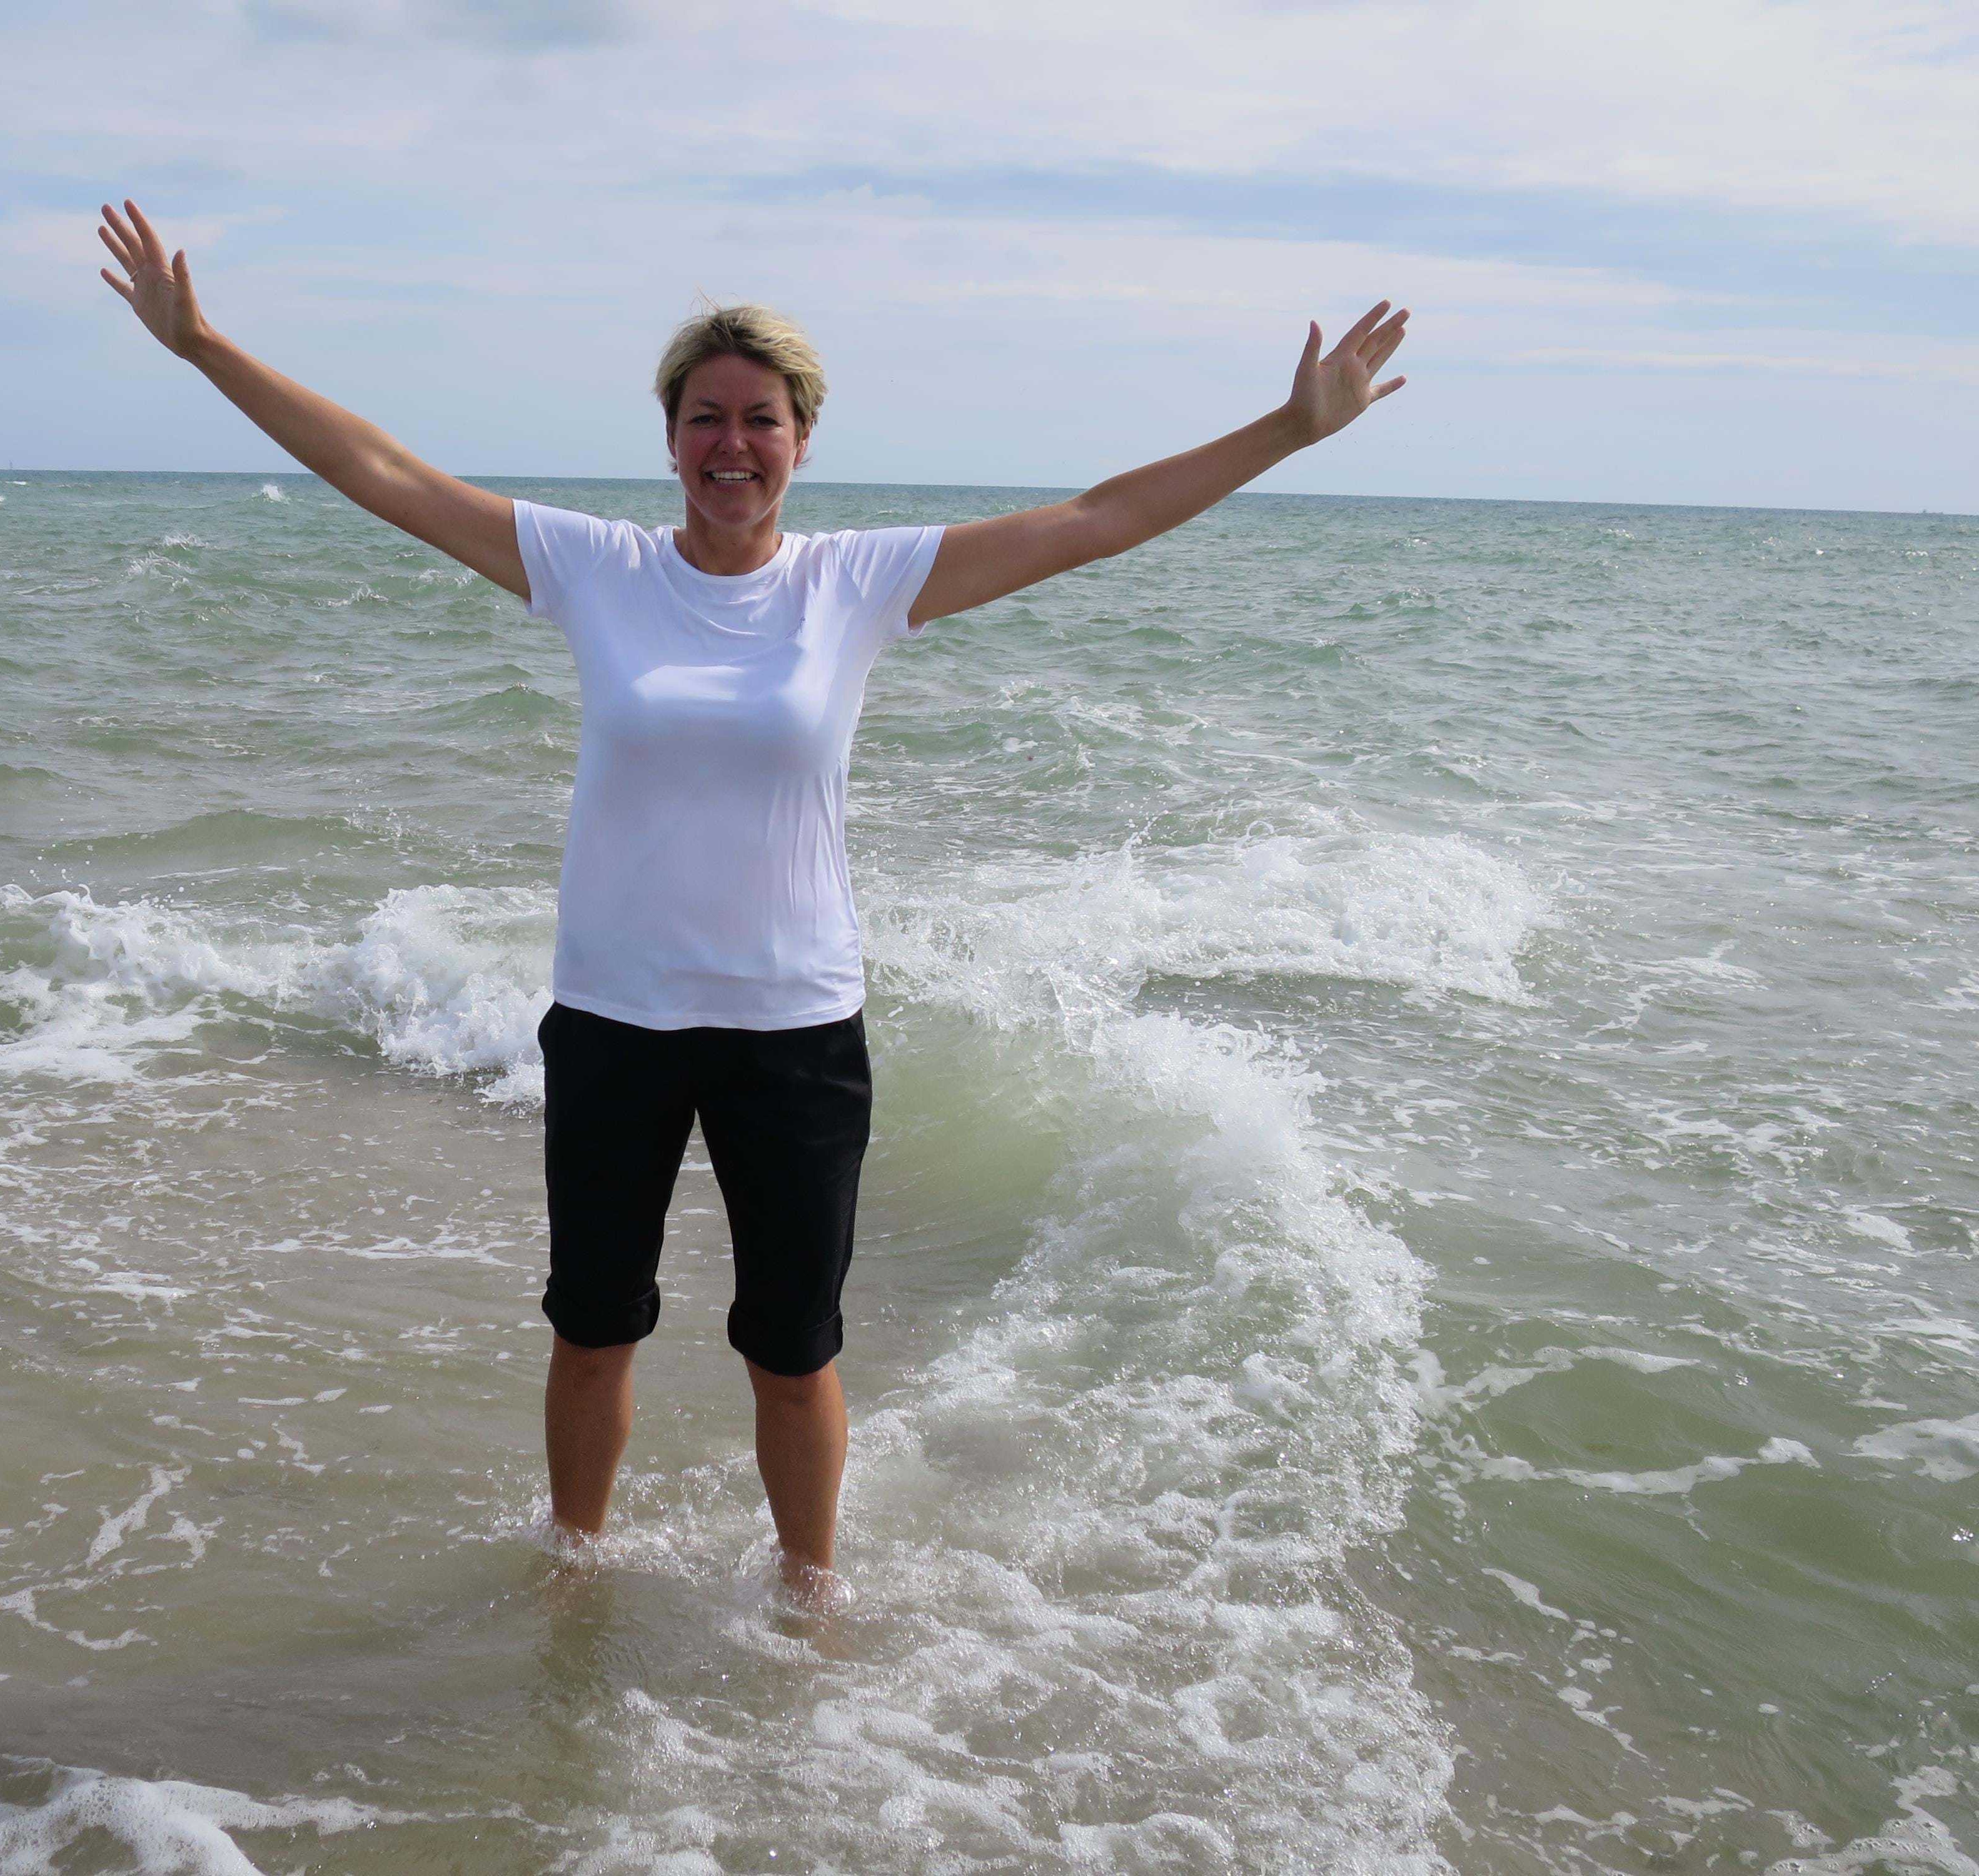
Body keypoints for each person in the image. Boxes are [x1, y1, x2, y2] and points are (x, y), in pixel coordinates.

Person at [96, 199, 1408, 1595]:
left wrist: (1287, 431)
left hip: (794, 1030)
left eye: (760, 421)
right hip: (615, 1019)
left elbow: (1094, 521)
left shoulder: (858, 583)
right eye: (706, 418)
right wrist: (204, 348)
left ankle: (806, 1606)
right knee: (592, 1331)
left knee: (792, 1352)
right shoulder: (594, 570)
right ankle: (572, 1580)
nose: (733, 445)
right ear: (669, 438)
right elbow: (383, 472)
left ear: (802, 440)